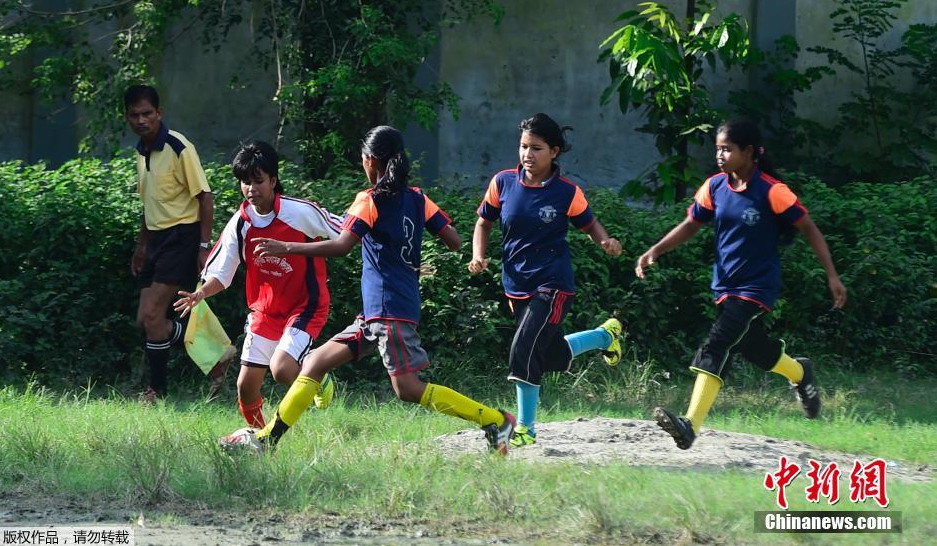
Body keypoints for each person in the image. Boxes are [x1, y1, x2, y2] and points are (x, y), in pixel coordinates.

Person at [218, 126, 516, 454]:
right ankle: (268, 440)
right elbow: (454, 240)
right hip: (378, 311)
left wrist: (288, 248)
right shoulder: (418, 198)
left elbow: (343, 246)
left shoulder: (368, 200)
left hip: (388, 312)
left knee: (407, 388)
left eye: (362, 159)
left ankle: (495, 420)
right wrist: (409, 258)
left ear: (370, 161)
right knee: (315, 363)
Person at [636, 118, 847, 450]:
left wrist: (832, 276)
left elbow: (810, 229)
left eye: (727, 149)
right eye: (717, 149)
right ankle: (800, 373)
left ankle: (690, 425)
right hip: (726, 286)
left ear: (749, 152)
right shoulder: (714, 187)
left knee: (716, 344)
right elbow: (691, 224)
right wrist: (655, 250)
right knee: (755, 349)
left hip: (757, 288)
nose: (720, 155)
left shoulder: (772, 191)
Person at [469, 112, 624, 447]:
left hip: (553, 285)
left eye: (536, 148)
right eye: (524, 146)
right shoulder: (503, 183)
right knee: (551, 356)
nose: (527, 154)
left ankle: (526, 429)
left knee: (523, 350)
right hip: (516, 285)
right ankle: (604, 336)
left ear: (554, 151)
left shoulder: (567, 192)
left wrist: (605, 241)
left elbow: (589, 224)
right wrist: (477, 255)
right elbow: (483, 222)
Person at [174, 141, 339, 428]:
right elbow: (223, 273)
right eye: (245, 182)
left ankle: (318, 374)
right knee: (245, 387)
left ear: (273, 180)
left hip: (305, 306)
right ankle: (261, 440)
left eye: (258, 181)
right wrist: (200, 293)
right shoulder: (241, 223)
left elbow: (345, 232)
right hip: (265, 313)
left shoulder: (299, 213)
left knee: (283, 370)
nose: (251, 188)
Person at [127, 84, 224, 402]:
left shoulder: (179, 146)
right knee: (146, 320)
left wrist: (204, 246)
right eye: (134, 115)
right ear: (127, 118)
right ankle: (217, 355)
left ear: (159, 114)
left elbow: (205, 198)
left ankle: (157, 391)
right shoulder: (142, 153)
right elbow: (149, 204)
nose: (141, 120)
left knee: (154, 316)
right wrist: (141, 247)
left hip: (182, 237)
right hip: (155, 240)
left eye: (147, 114)